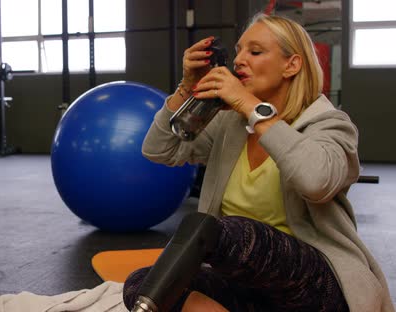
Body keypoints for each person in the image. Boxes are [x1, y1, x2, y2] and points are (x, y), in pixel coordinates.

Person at [122, 13, 394, 312]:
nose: (238, 60)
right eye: (238, 51)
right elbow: (159, 149)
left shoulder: (329, 125)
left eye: (255, 52)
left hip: (311, 287)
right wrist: (187, 86)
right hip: (245, 285)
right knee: (147, 284)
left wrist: (249, 105)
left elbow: (316, 182)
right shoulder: (229, 124)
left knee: (231, 232)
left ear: (292, 65)